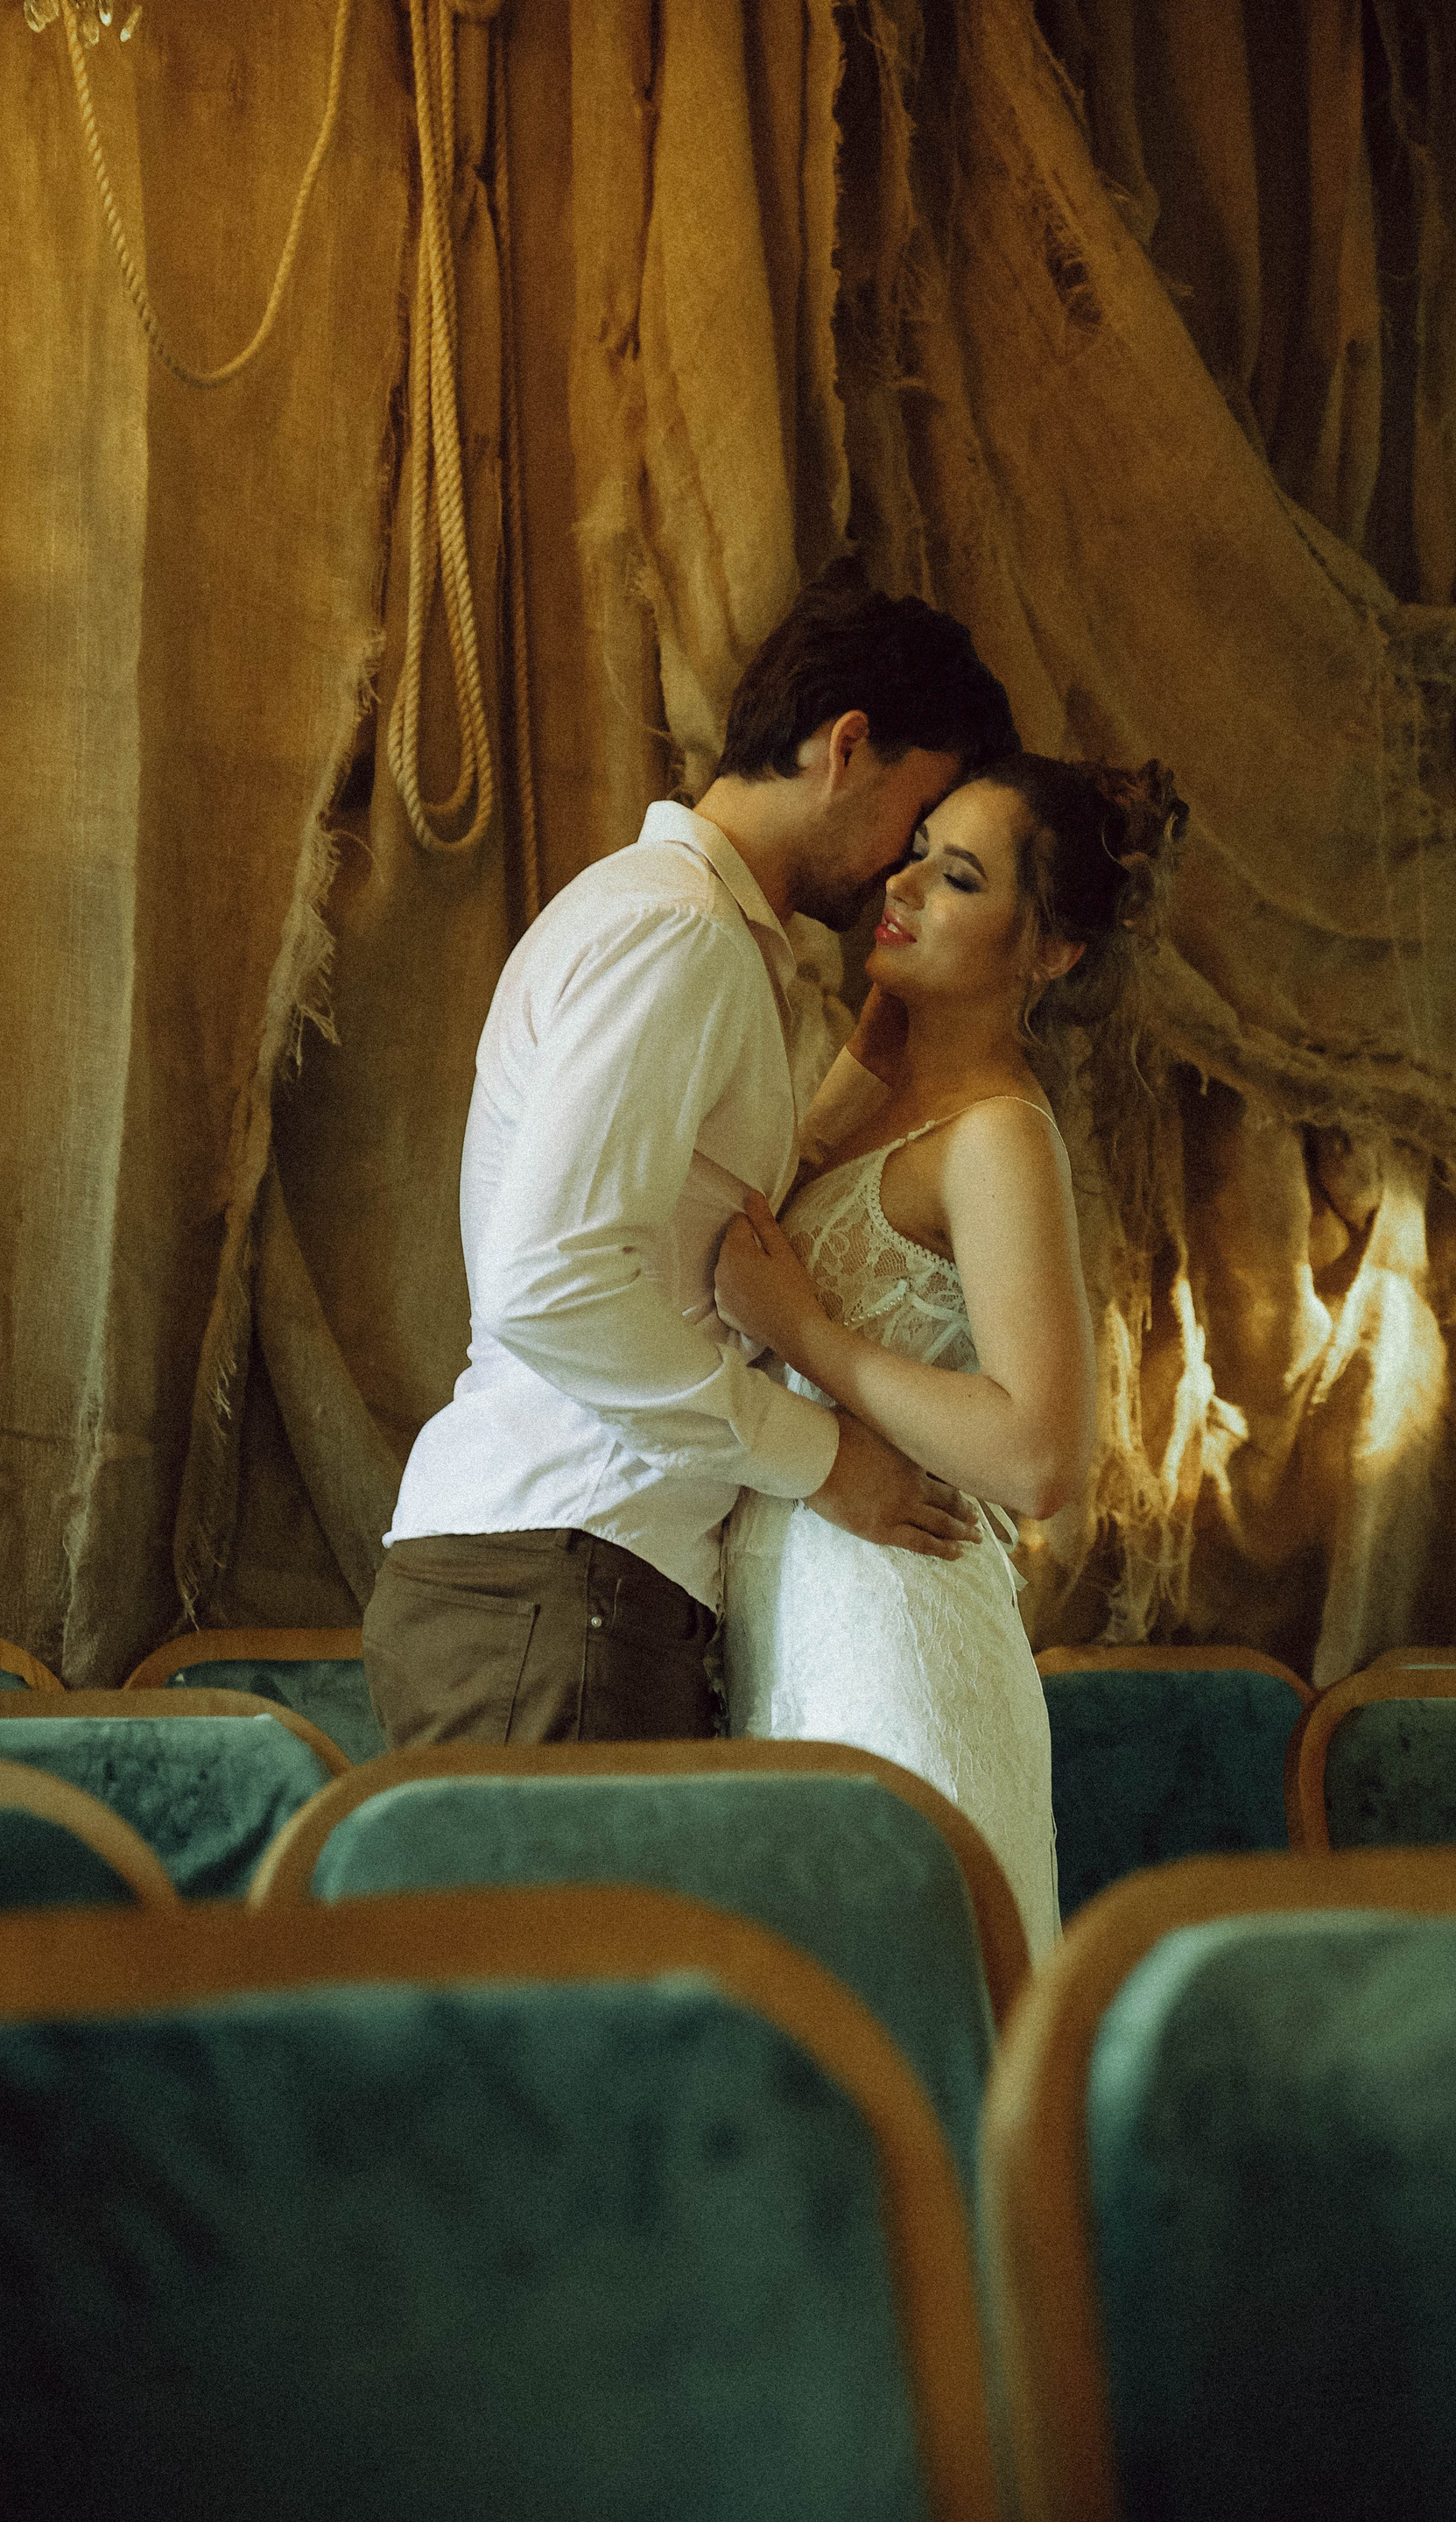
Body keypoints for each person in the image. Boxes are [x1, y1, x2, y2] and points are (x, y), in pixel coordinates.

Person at [362, 569, 1018, 1750]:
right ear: (847, 747)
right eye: (916, 819)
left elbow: (691, 1226)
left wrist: (875, 1062)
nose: (902, 873)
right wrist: (820, 1457)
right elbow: (548, 1285)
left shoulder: (686, 928)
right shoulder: (681, 934)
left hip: (570, 1574)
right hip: (566, 1569)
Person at [714, 754, 1185, 1957]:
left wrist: (807, 1333)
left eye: (960, 877)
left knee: (914, 2030)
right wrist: (878, 1042)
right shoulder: (884, 1096)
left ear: (1052, 952)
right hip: (794, 1631)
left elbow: (1041, 1458)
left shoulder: (1000, 1139)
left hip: (903, 1650)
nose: (905, 884)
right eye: (917, 849)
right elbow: (774, 1206)